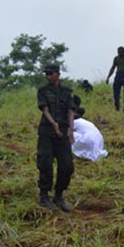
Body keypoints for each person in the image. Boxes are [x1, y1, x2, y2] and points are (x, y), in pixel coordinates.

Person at [36, 65, 75, 212]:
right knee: (45, 163)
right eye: (46, 74)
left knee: (67, 166)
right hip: (47, 131)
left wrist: (71, 129)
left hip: (63, 133)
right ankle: (44, 195)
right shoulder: (43, 91)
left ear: (58, 74)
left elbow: (71, 110)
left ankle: (59, 195)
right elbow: (45, 109)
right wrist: (54, 124)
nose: (48, 76)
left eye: (50, 73)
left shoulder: (67, 91)